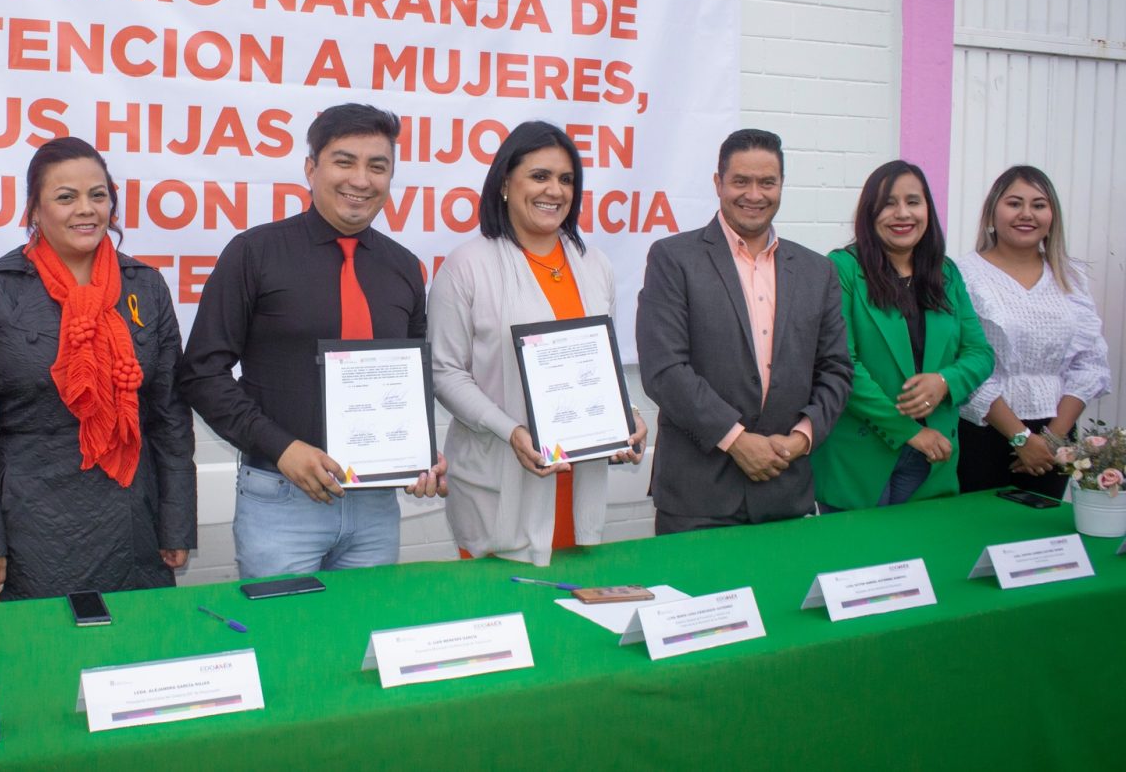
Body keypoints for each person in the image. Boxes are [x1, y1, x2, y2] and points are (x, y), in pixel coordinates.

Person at [178, 103, 447, 578]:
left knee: (363, 639)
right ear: (310, 168)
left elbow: (412, 380)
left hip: (376, 508)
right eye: (344, 161)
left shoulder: (404, 268)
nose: (361, 180)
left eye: (377, 166)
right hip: (281, 499)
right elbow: (202, 373)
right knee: (284, 644)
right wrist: (282, 449)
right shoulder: (253, 253)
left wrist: (421, 452)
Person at [0, 138, 195, 602]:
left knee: (130, 659)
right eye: (66, 197)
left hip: (130, 520)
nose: (86, 209)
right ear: (34, 211)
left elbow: (170, 420)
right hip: (28, 526)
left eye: (98, 195)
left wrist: (175, 522)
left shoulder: (147, 286)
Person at [428, 122, 647, 565]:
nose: (555, 190)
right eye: (540, 176)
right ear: (506, 182)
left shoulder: (594, 264)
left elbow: (600, 364)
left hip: (576, 485)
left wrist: (629, 415)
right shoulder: (467, 265)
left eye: (566, 179)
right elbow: (444, 372)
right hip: (500, 485)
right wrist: (511, 431)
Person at [635, 129, 852, 534]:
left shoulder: (816, 271)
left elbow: (836, 370)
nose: (754, 194)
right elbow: (664, 370)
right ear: (718, 183)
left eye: (767, 182)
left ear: (781, 185)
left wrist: (801, 440)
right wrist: (735, 440)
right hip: (697, 497)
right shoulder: (672, 259)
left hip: (785, 487)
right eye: (741, 181)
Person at [811, 161, 993, 510]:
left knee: (923, 557)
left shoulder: (946, 273)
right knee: (862, 560)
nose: (902, 213)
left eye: (913, 201)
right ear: (869, 212)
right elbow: (840, 363)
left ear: (928, 208)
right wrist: (910, 432)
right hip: (862, 455)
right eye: (888, 203)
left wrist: (944, 380)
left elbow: (980, 353)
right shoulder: (843, 268)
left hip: (933, 456)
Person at [957, 165, 1111, 499]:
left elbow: (1090, 364)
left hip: (1055, 436)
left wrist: (1051, 439)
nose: (1026, 214)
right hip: (985, 429)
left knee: (1043, 541)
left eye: (1039, 205)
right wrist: (1021, 439)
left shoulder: (1070, 277)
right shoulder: (963, 275)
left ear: (1052, 215)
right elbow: (963, 364)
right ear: (992, 213)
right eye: (1014, 203)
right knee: (977, 531)